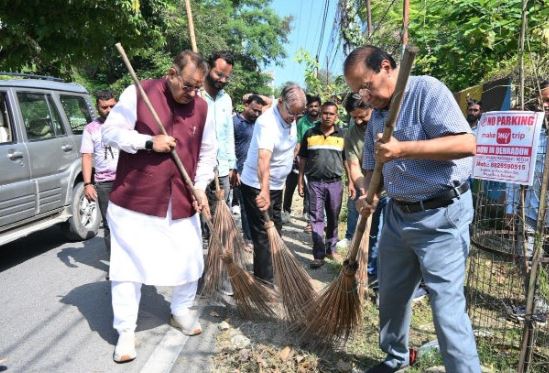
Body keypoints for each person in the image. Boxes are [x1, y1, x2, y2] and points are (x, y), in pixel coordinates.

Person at [344, 45, 480, 372]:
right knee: (391, 297)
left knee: (446, 309)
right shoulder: (377, 114)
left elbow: (467, 144)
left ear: (387, 67)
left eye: (366, 86)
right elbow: (368, 170)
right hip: (397, 216)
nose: (364, 97)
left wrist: (403, 149)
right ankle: (395, 359)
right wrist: (366, 193)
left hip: (442, 217)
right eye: (357, 92)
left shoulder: (426, 91)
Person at [101, 51, 216, 363]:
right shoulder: (139, 92)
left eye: (197, 88)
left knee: (191, 260)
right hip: (135, 200)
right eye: (188, 86)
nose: (192, 93)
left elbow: (207, 152)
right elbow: (109, 132)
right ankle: (125, 331)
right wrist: (148, 142)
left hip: (180, 198)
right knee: (127, 268)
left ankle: (180, 310)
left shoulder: (203, 108)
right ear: (171, 73)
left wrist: (201, 186)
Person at [240, 82, 306, 282]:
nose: (293, 119)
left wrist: (253, 93)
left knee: (276, 229)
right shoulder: (267, 123)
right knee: (263, 234)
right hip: (257, 185)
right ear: (280, 103)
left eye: (297, 115)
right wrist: (264, 191)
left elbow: (269, 99)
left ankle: (274, 268)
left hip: (277, 185)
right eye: (291, 114)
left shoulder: (286, 108)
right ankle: (264, 281)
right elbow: (263, 160)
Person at [336, 94, 387, 282]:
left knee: (386, 235)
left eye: (362, 116)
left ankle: (383, 275)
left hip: (391, 190)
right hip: (367, 189)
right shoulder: (350, 135)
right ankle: (370, 273)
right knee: (371, 231)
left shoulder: (385, 125)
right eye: (353, 116)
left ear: (371, 109)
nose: (357, 121)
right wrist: (364, 190)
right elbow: (354, 165)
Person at [298, 101, 346, 268]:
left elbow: (348, 161)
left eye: (331, 114)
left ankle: (330, 250)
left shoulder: (342, 135)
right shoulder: (310, 134)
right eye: (325, 113)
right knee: (316, 218)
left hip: (335, 183)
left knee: (333, 216)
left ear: (336, 116)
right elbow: (302, 158)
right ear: (320, 114)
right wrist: (300, 180)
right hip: (314, 183)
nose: (327, 116)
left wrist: (352, 183)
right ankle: (318, 254)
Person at [80, 90, 118, 263]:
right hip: (105, 183)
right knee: (110, 225)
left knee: (133, 222)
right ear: (97, 107)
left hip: (128, 181)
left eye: (112, 106)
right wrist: (88, 183)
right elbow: (87, 156)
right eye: (104, 107)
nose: (108, 110)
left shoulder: (127, 125)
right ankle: (115, 265)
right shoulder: (91, 129)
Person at [232, 94, 267, 245]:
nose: (257, 113)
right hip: (240, 172)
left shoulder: (259, 123)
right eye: (254, 110)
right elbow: (229, 146)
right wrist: (234, 169)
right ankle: (248, 239)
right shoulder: (235, 123)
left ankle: (255, 235)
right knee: (245, 207)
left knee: (257, 206)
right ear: (246, 105)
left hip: (256, 172)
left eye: (259, 111)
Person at [283, 94, 322, 229]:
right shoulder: (301, 122)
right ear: (307, 108)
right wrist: (294, 157)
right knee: (291, 185)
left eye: (316, 106)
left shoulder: (322, 122)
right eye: (311, 106)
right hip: (299, 159)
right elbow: (297, 141)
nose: (313, 108)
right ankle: (286, 211)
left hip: (314, 161)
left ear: (320, 107)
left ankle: (307, 213)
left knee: (309, 188)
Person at [203, 51, 236, 206]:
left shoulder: (226, 100)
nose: (223, 80)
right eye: (219, 74)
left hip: (222, 169)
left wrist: (231, 165)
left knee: (221, 218)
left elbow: (228, 134)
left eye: (227, 77)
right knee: (200, 218)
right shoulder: (196, 95)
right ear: (208, 68)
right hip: (200, 170)